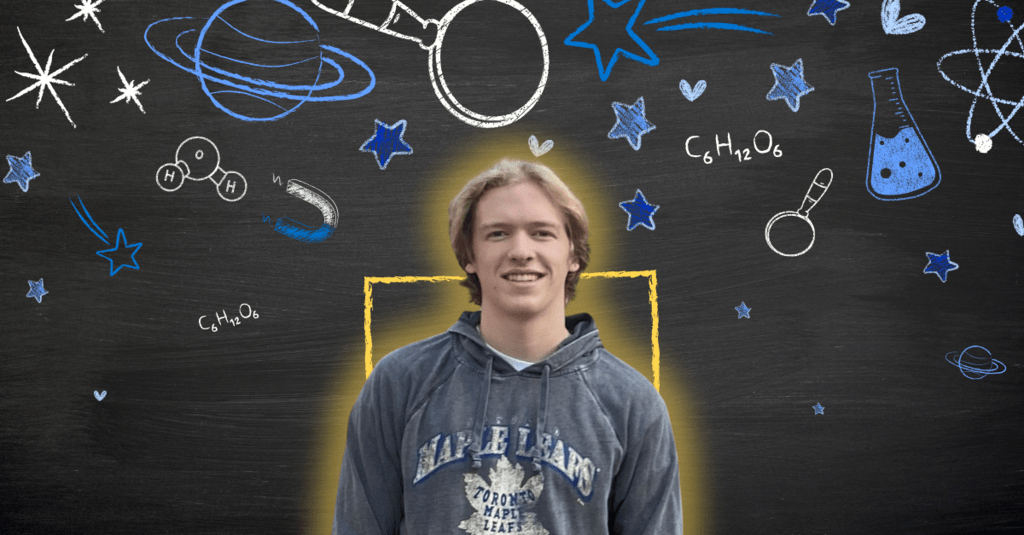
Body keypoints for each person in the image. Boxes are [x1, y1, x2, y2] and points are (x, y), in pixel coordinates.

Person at [333, 159, 682, 535]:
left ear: (574, 256)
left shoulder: (632, 404)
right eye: (498, 233)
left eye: (542, 233)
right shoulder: (400, 382)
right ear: (469, 256)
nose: (520, 251)